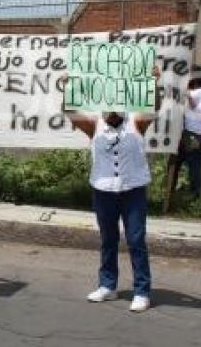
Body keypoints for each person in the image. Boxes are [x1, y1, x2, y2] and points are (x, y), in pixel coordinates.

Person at [61, 66, 161, 312]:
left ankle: (141, 291)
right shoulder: (94, 125)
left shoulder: (136, 122)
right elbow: (69, 111)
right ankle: (107, 285)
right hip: (103, 191)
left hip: (133, 190)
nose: (111, 113)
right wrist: (68, 88)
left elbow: (154, 107)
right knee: (108, 239)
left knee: (136, 239)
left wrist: (152, 83)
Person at [173, 68, 201, 199]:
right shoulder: (191, 90)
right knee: (178, 161)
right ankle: (172, 192)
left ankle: (195, 195)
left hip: (195, 135)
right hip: (187, 134)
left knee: (193, 164)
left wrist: (189, 97)